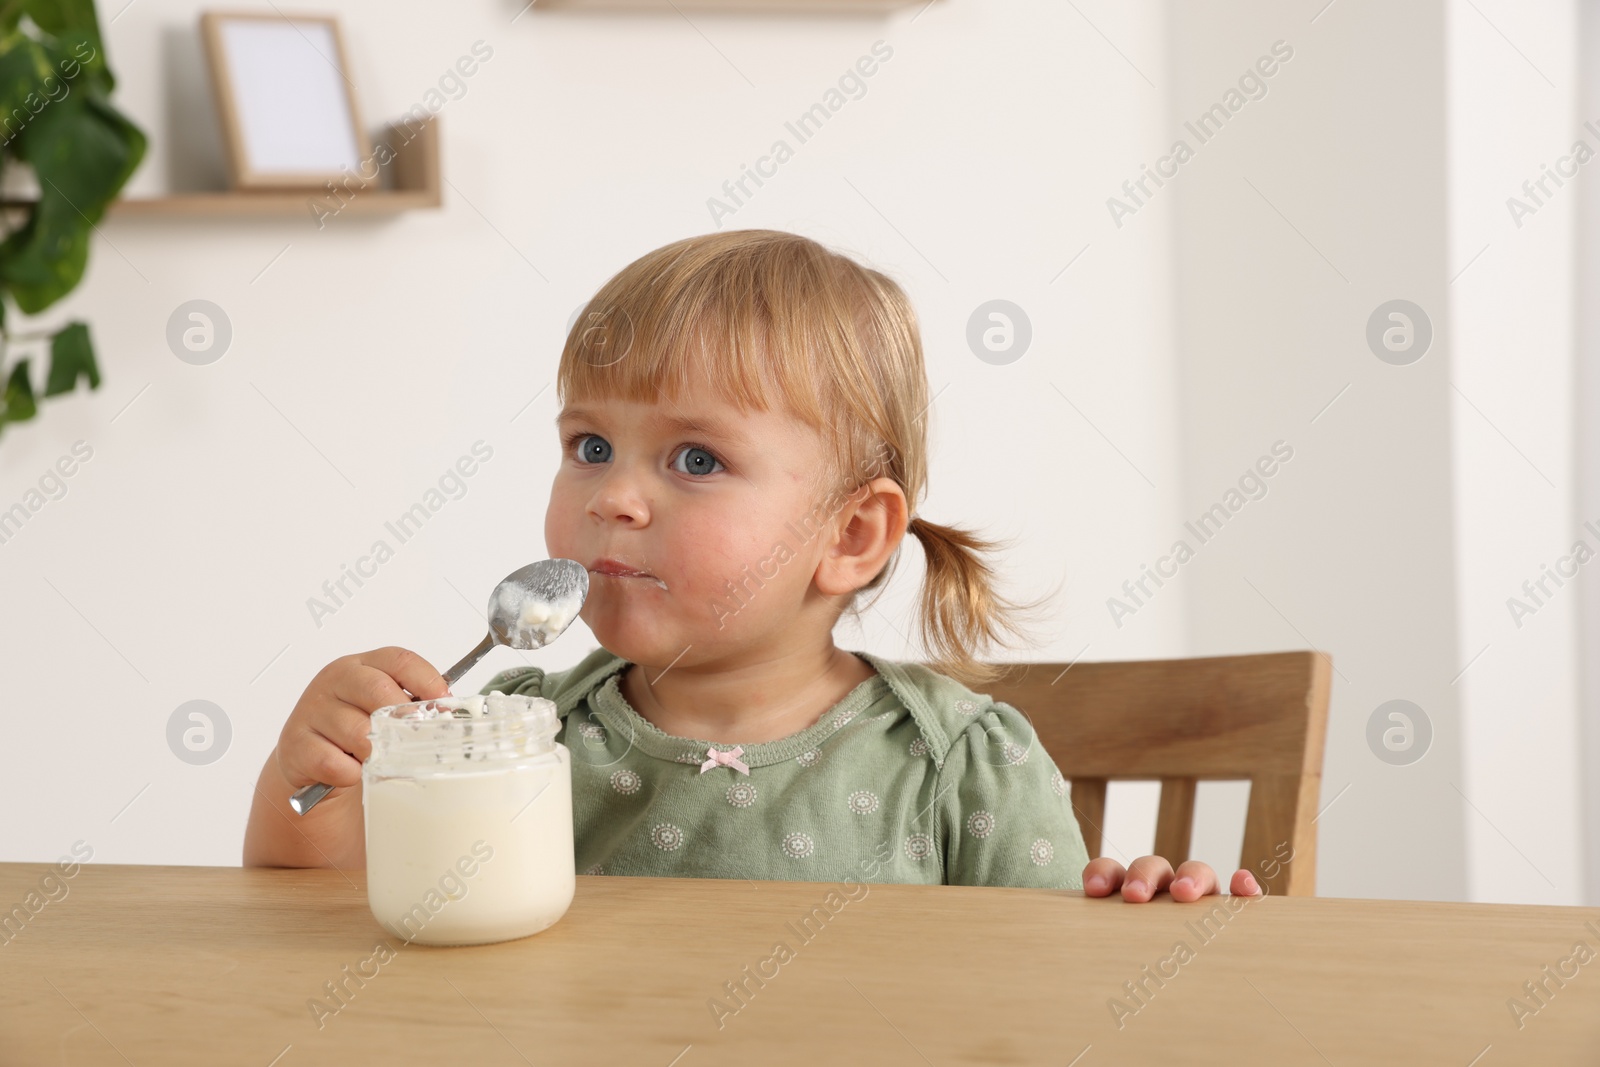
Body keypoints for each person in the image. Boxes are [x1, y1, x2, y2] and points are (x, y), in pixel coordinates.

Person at [244, 229, 1259, 903]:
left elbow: (1049, 998)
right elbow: (313, 914)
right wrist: (313, 781)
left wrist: (1142, 920)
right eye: (589, 446)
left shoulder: (959, 765)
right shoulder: (506, 735)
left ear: (851, 536)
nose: (613, 496)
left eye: (696, 459)